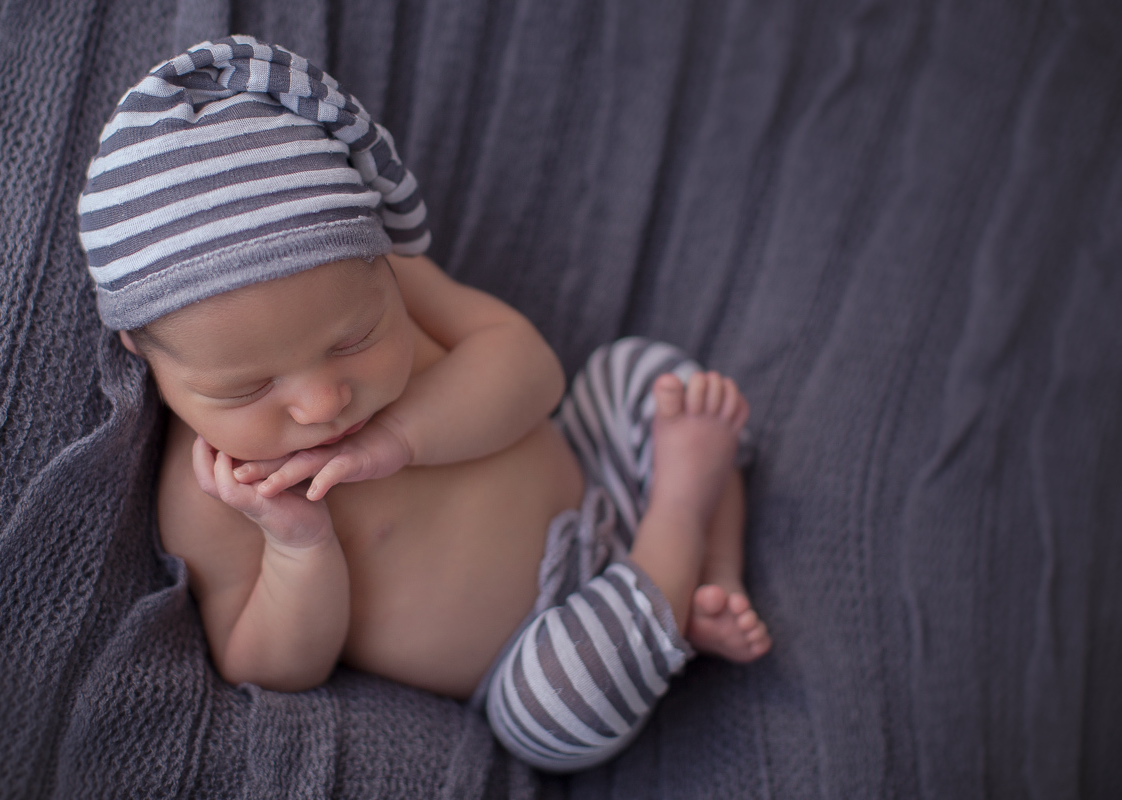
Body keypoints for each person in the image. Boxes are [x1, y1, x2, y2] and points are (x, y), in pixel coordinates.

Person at [79, 35, 769, 772]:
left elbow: (534, 371)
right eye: (247, 389)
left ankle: (709, 574)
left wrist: (402, 438)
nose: (322, 400)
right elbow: (269, 668)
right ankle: (681, 519)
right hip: (536, 648)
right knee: (555, 715)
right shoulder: (212, 492)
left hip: (597, 477)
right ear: (141, 351)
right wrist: (299, 546)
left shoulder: (394, 279)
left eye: (355, 339)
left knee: (643, 377)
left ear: (378, 256)